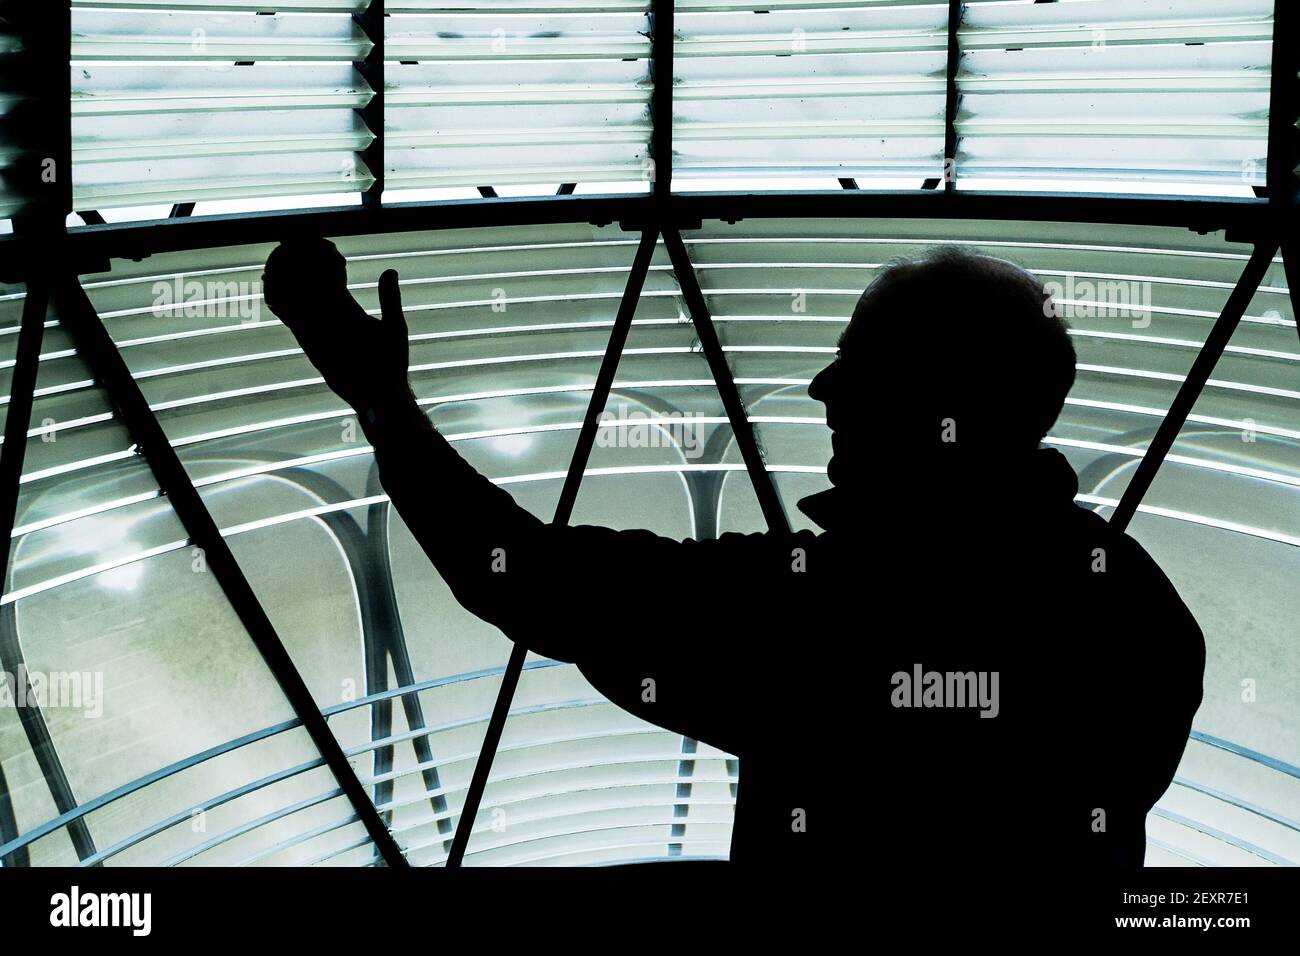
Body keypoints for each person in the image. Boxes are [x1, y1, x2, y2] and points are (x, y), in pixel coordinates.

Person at [262, 239, 1204, 870]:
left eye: (862, 365)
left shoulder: (815, 612)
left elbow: (524, 576)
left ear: (943, 401)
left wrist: (381, 401)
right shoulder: (1135, 612)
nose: (823, 386)